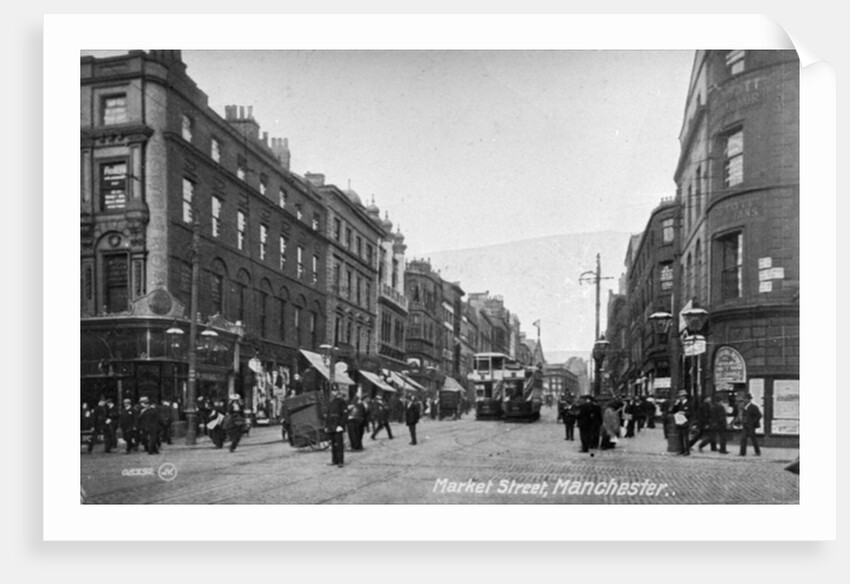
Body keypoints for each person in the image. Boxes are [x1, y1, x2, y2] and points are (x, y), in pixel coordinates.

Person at [325, 387, 348, 467]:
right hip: (331, 425)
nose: (334, 392)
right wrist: (327, 426)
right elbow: (328, 415)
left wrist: (341, 425)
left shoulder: (342, 402)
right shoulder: (331, 402)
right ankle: (334, 460)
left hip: (338, 425)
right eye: (333, 391)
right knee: (333, 444)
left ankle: (340, 461)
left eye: (335, 390)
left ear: (338, 391)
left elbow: (344, 414)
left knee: (339, 444)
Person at [670, 390, 692, 455]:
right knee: (680, 437)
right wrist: (676, 404)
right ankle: (681, 450)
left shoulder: (689, 404)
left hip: (685, 422)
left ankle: (687, 451)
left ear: (684, 397)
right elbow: (673, 411)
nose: (680, 398)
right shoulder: (679, 404)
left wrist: (685, 413)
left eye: (681, 396)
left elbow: (692, 413)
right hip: (679, 422)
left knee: (685, 437)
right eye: (679, 397)